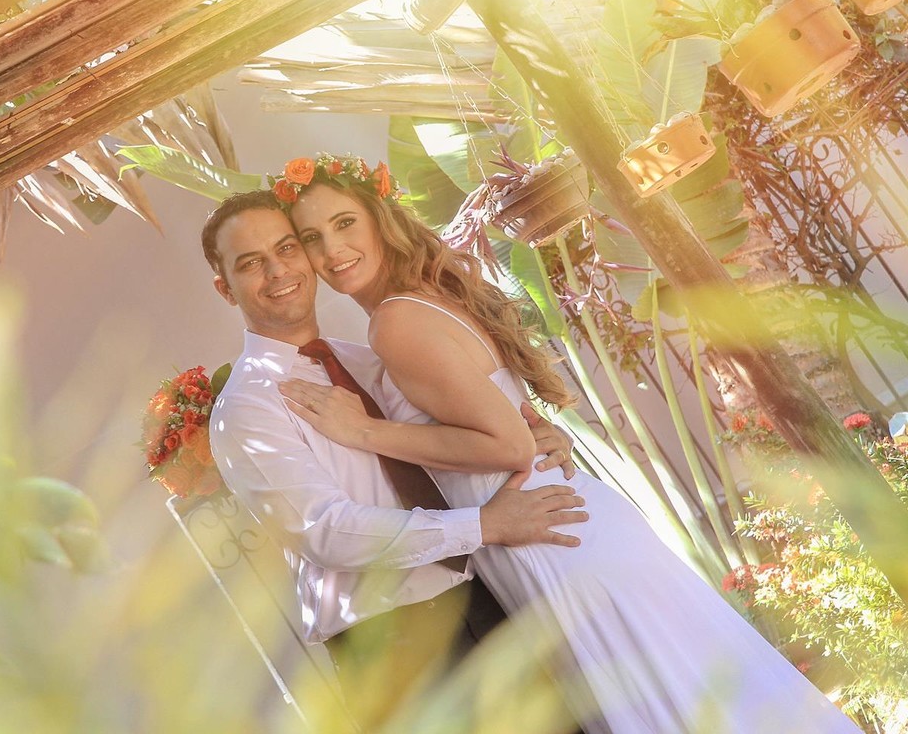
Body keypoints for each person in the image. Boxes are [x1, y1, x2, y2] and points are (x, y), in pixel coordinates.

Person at [274, 153, 862, 734]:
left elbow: (507, 446)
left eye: (344, 223)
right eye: (312, 237)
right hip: (564, 522)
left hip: (548, 538)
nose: (331, 250)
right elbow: (510, 425)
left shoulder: (395, 322)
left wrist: (366, 432)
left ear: (380, 219)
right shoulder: (420, 303)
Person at [202, 190, 590, 731]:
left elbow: (453, 438)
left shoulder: (364, 360)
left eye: (287, 248)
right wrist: (485, 525)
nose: (277, 271)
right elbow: (324, 531)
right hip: (389, 645)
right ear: (226, 288)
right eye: (250, 263)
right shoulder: (246, 408)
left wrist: (536, 430)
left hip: (481, 600)